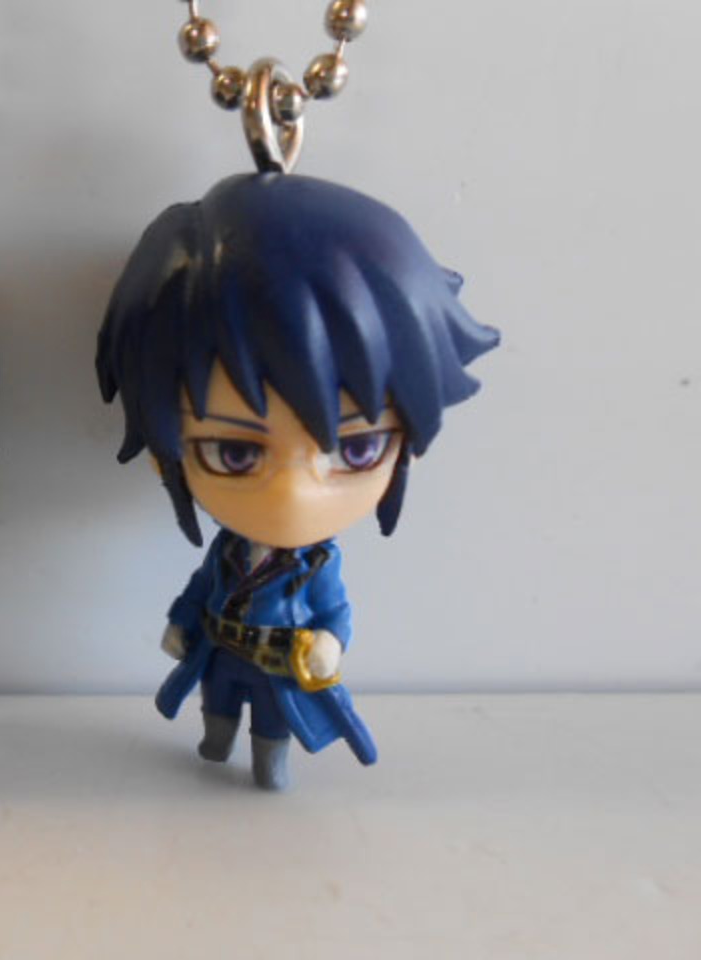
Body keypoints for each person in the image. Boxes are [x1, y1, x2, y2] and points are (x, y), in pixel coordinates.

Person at [96, 173, 498, 789]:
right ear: (164, 453)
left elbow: (334, 611)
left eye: (357, 448)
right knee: (217, 715)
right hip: (222, 655)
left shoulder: (316, 566)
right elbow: (202, 588)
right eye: (234, 453)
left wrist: (330, 644)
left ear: (408, 449)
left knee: (271, 729)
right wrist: (182, 622)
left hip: (278, 667)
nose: (292, 495)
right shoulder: (227, 554)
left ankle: (269, 767)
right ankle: (215, 742)